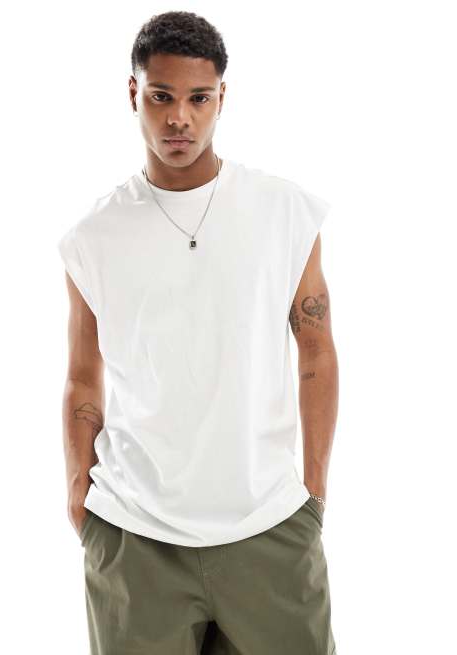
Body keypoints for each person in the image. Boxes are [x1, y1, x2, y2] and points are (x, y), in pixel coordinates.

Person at [57, 10, 338, 655]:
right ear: (134, 93)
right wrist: (79, 493)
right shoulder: (93, 239)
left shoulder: (284, 212)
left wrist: (314, 490)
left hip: (270, 526)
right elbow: (81, 374)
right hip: (135, 538)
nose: (179, 118)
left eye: (198, 98)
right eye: (161, 97)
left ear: (221, 98)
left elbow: (316, 351)